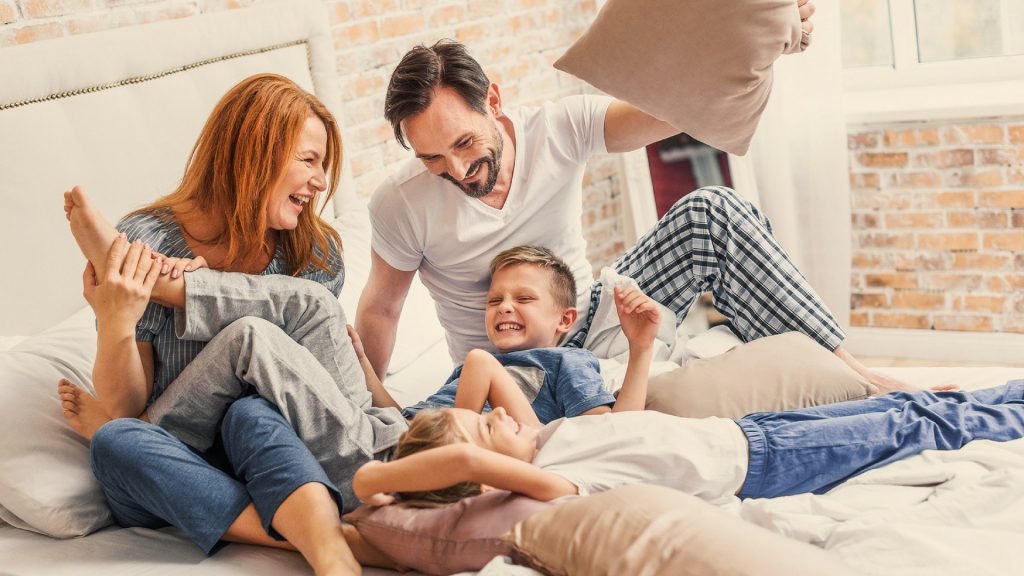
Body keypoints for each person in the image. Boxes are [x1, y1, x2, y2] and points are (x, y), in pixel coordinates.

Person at [354, 28, 921, 397]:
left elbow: (670, 112)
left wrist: (761, 43)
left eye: (464, 144)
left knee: (712, 213)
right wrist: (369, 401)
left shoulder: (557, 128)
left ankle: (857, 376)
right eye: (432, 158)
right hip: (510, 368)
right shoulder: (401, 204)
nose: (455, 169)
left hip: (590, 314)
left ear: (493, 102)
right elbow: (381, 307)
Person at [57, 74, 398, 575]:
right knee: (117, 442)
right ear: (252, 151)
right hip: (177, 465)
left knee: (251, 409)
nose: (322, 182)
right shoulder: (152, 239)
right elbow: (125, 408)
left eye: (324, 166)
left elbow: (316, 395)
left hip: (278, 451)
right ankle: (326, 534)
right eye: (309, 160)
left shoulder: (314, 253)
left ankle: (330, 546)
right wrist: (115, 321)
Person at [352, 381, 1024, 509]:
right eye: (486, 425)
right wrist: (368, 484)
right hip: (762, 466)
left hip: (751, 430)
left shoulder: (547, 435)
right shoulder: (556, 486)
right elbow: (465, 461)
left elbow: (480, 363)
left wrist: (472, 423)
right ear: (487, 474)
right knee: (925, 429)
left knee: (913, 404)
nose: (499, 413)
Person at [399, 245, 661, 424]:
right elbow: (409, 415)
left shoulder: (566, 362)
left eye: (524, 298)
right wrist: (364, 365)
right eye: (494, 301)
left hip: (445, 442)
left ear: (565, 319)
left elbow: (608, 430)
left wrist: (641, 347)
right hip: (403, 430)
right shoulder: (465, 371)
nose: (504, 307)